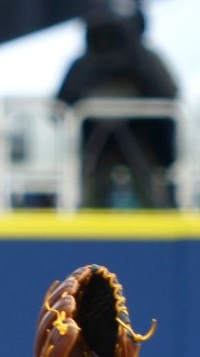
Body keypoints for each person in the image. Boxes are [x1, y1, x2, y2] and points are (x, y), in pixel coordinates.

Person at [56, 0, 180, 210]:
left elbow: (168, 96)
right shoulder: (84, 65)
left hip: (143, 147)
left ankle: (161, 230)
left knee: (153, 203)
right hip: (97, 154)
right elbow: (61, 104)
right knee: (91, 203)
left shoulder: (147, 61)